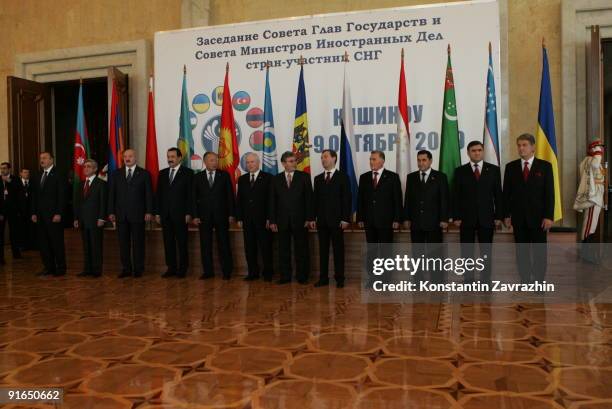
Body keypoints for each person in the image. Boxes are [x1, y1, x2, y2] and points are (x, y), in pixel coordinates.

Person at [503, 133, 555, 283]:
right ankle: (525, 280)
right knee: (521, 252)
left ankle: (539, 281)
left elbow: (549, 194)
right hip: (518, 219)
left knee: (539, 253)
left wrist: (549, 216)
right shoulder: (510, 167)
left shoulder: (545, 167)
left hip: (539, 219)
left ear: (533, 147)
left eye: (524, 145)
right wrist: (506, 215)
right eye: (519, 145)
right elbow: (506, 194)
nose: (521, 148)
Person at [452, 141, 502, 285]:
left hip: (487, 218)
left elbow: (498, 195)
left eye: (479, 150)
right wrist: (456, 216)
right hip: (466, 218)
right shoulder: (460, 171)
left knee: (486, 252)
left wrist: (498, 216)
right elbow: (456, 196)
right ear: (468, 153)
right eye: (473, 150)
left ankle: (485, 280)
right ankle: (468, 280)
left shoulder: (493, 170)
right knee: (466, 252)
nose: (477, 153)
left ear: (483, 151)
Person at [403, 150, 449, 283]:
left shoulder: (440, 176)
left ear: (430, 161)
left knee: (435, 254)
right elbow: (408, 199)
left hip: (434, 222)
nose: (421, 163)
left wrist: (444, 219)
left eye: (423, 160)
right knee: (417, 254)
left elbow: (444, 199)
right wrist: (406, 218)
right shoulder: (411, 177)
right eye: (419, 160)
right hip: (416, 222)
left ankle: (436, 281)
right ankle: (418, 281)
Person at [269, 151, 314, 284]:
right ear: (283, 163)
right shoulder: (276, 179)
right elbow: (272, 201)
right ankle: (285, 276)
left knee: (302, 249)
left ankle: (302, 276)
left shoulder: (304, 177)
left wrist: (309, 218)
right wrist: (272, 220)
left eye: (294, 160)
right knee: (283, 250)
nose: (294, 163)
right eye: (290, 161)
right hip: (281, 220)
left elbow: (309, 199)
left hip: (301, 220)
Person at [357, 151, 402, 284]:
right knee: (372, 251)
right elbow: (361, 200)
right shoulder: (364, 177)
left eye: (374, 159)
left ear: (382, 161)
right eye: (370, 159)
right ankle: (373, 279)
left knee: (386, 251)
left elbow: (397, 199)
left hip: (386, 221)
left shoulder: (392, 177)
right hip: (369, 221)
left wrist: (397, 219)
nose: (371, 162)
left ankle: (386, 280)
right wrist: (360, 218)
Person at [107, 149, 153, 278]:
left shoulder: (144, 174)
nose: (127, 158)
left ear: (135, 157)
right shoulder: (116, 174)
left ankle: (138, 269)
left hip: (138, 214)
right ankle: (126, 268)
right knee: (123, 244)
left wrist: (149, 211)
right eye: (125, 156)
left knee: (138, 243)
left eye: (130, 156)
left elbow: (148, 194)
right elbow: (112, 194)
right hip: (121, 214)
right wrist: (111, 211)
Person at [192, 152, 234, 280]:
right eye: (211, 160)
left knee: (224, 244)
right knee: (205, 245)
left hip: (221, 215)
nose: (215, 162)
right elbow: (193, 198)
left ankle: (227, 272)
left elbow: (230, 196)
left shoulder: (224, 175)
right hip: (204, 216)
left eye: (216, 160)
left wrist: (232, 214)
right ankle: (208, 271)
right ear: (205, 162)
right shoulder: (197, 177)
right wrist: (195, 215)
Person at [313, 149, 351, 288]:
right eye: (322, 157)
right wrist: (313, 218)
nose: (323, 160)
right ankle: (323, 278)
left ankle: (339, 278)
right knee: (322, 251)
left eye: (326, 157)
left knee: (338, 250)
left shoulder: (343, 177)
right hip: (322, 221)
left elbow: (346, 199)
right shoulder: (317, 179)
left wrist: (345, 218)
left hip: (337, 221)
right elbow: (315, 200)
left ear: (334, 158)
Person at [155, 147, 193, 278]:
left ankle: (183, 269)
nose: (170, 159)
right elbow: (158, 194)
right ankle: (171, 267)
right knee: (168, 242)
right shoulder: (162, 173)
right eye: (168, 156)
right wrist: (157, 213)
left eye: (172, 157)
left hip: (181, 214)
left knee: (182, 242)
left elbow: (190, 195)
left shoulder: (188, 173)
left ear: (179, 158)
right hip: (165, 214)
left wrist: (189, 213)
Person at [236, 152, 273, 281]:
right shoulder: (242, 179)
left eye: (252, 162)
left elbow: (271, 200)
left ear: (258, 163)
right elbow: (239, 200)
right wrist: (239, 217)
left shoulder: (268, 178)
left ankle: (268, 273)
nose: (250, 164)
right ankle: (253, 272)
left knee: (265, 247)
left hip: (263, 220)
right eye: (248, 162)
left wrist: (270, 218)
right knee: (249, 247)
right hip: (247, 219)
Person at [31, 152, 67, 276]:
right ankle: (48, 267)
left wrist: (59, 213)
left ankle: (61, 268)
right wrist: (34, 213)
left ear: (51, 160)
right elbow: (34, 196)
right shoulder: (37, 175)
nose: (42, 160)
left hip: (53, 216)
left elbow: (62, 196)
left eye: (45, 158)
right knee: (43, 243)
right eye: (41, 158)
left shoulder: (59, 174)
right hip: (40, 216)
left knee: (56, 242)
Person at [73, 159, 107, 278]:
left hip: (95, 220)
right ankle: (87, 269)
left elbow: (103, 202)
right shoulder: (80, 184)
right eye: (85, 166)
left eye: (89, 166)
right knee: (86, 246)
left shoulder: (100, 183)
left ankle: (96, 270)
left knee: (96, 245)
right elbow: (77, 203)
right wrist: (76, 218)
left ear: (95, 169)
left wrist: (102, 218)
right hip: (83, 220)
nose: (86, 168)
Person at [0, 162, 22, 262]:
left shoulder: (15, 179)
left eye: (4, 168)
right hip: (1, 211)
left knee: (14, 232)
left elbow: (19, 191)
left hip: (13, 210)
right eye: (1, 169)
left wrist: (8, 181)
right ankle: (1, 257)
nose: (2, 170)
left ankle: (16, 254)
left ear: (9, 169)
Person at [17, 168, 36, 251]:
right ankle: (22, 245)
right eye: (25, 172)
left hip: (30, 211)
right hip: (20, 211)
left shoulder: (33, 183)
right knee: (21, 229)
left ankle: (31, 245)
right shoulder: (17, 183)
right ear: (21, 174)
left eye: (28, 172)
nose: (27, 174)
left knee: (31, 229)